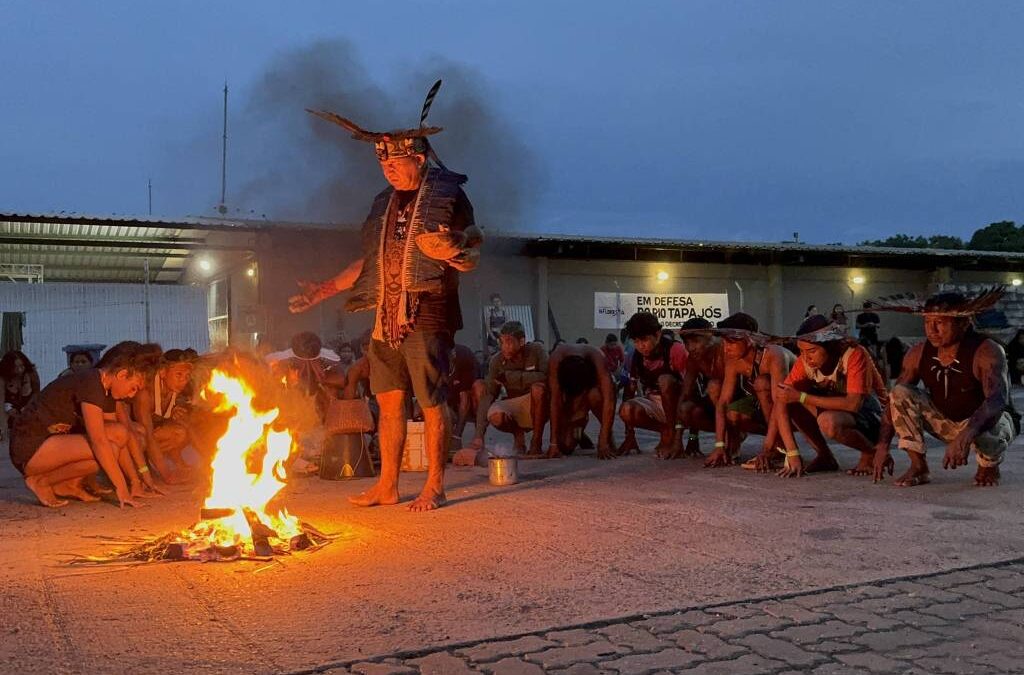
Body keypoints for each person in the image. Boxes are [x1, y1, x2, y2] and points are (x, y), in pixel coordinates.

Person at [291, 81, 482, 511]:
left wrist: (457, 251)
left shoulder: (448, 195)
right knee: (388, 402)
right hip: (384, 317)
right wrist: (322, 290)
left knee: (432, 401)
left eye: (396, 162)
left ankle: (435, 485)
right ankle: (388, 485)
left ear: (418, 158)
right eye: (383, 163)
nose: (388, 170)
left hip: (428, 313)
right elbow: (368, 263)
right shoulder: (384, 204)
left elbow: (469, 242)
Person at [869, 289, 1017, 487]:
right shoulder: (918, 353)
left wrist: (966, 434)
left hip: (988, 423)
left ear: (963, 323)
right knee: (900, 392)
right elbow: (894, 401)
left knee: (991, 416)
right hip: (946, 420)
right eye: (928, 323)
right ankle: (919, 467)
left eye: (939, 323)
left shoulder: (987, 350)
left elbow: (997, 400)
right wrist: (882, 446)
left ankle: (989, 465)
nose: (932, 330)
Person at [8, 341, 161, 508]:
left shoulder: (106, 390)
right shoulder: (92, 383)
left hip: (52, 446)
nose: (132, 395)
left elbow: (120, 437)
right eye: (133, 388)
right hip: (29, 448)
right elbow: (99, 441)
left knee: (117, 438)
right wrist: (122, 490)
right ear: (122, 375)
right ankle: (40, 482)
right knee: (107, 449)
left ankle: (65, 484)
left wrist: (135, 482)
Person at [772, 315, 888, 477]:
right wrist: (792, 452)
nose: (806, 357)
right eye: (801, 351)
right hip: (842, 412)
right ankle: (825, 455)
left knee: (828, 421)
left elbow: (853, 404)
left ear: (830, 346)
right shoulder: (804, 362)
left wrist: (801, 397)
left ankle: (870, 452)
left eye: (812, 351)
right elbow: (781, 398)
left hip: (875, 416)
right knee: (791, 400)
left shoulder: (854, 354)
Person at [707, 313, 794, 470]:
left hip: (796, 406)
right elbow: (723, 402)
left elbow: (779, 403)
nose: (726, 349)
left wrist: (766, 449)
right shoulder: (734, 360)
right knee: (733, 412)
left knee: (762, 383)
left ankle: (779, 447)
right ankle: (733, 442)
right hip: (765, 407)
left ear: (749, 340)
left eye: (731, 343)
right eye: (724, 343)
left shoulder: (773, 355)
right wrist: (718, 445)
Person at [472, 321, 549, 455]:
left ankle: (536, 442)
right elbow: (489, 395)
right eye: (502, 342)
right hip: (513, 402)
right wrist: (478, 435)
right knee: (496, 415)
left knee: (538, 389)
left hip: (537, 403)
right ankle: (518, 436)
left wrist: (511, 376)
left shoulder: (537, 350)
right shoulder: (496, 361)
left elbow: (546, 376)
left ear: (522, 341)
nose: (504, 347)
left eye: (509, 342)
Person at [617, 312, 688, 456]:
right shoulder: (635, 357)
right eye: (635, 341)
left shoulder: (676, 350)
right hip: (655, 403)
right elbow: (629, 392)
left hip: (681, 407)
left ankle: (673, 434)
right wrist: (629, 435)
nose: (640, 346)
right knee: (626, 409)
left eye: (644, 340)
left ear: (657, 334)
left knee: (665, 380)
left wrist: (692, 438)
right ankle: (666, 431)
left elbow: (690, 390)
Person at [131, 348, 197, 483]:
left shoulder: (173, 391)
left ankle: (178, 465)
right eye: (178, 375)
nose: (183, 381)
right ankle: (138, 470)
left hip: (147, 437)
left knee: (180, 431)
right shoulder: (145, 394)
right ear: (162, 372)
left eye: (187, 376)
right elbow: (148, 433)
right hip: (131, 441)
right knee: (143, 436)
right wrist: (167, 475)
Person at [546, 343, 616, 459]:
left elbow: (609, 400)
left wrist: (603, 439)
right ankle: (578, 429)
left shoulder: (598, 358)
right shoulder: (555, 359)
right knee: (566, 447)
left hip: (590, 392)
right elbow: (554, 401)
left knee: (595, 395)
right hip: (567, 396)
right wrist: (553, 443)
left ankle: (607, 433)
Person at [675, 317, 725, 458]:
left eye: (696, 341)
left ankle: (733, 437)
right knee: (686, 409)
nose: (691, 348)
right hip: (717, 405)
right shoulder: (694, 358)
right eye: (687, 343)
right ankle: (724, 437)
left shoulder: (725, 350)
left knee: (714, 386)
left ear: (710, 335)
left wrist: (719, 445)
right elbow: (686, 394)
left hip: (739, 406)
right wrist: (680, 439)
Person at [0, 351, 42, 439]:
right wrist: (3, 426)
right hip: (9, 414)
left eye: (21, 366)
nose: (19, 370)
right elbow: (1, 401)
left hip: (28, 412)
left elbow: (37, 394)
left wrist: (28, 407)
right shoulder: (3, 378)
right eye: (15, 367)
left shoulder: (31, 373)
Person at [448, 343, 482, 444]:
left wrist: (457, 435)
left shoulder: (464, 357)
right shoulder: (432, 361)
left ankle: (478, 437)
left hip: (469, 398)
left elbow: (465, 398)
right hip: (447, 396)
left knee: (479, 388)